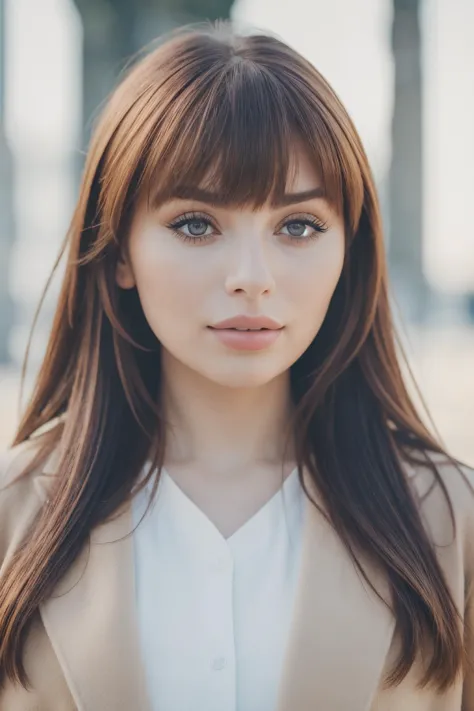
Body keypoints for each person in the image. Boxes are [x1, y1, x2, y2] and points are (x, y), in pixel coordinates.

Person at [0, 20, 473, 711]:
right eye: (196, 223)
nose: (252, 277)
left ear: (351, 251)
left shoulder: (452, 522)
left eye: (298, 226)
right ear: (120, 249)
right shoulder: (13, 521)